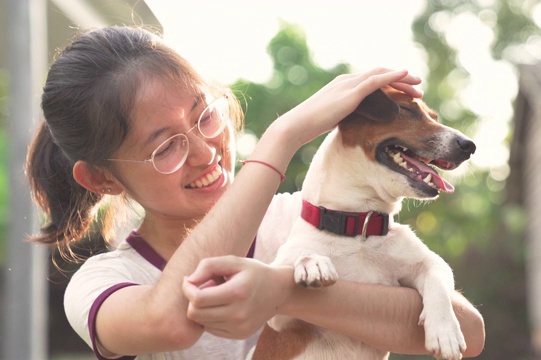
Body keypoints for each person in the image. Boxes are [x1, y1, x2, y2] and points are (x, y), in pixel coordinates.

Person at [26, 26, 484, 359]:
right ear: (102, 179)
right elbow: (169, 319)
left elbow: (468, 332)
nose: (206, 152)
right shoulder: (103, 282)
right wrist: (283, 137)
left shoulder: (310, 219)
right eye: (166, 147)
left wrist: (285, 293)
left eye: (205, 115)